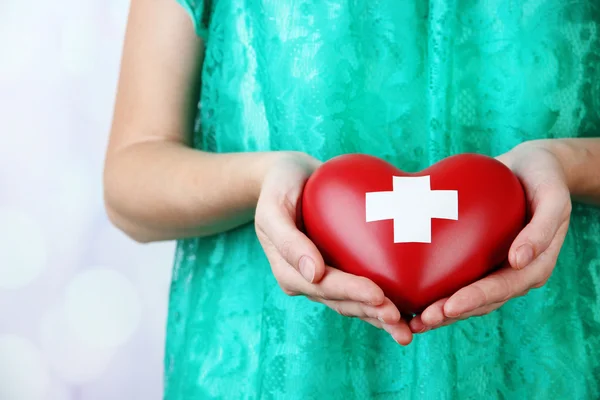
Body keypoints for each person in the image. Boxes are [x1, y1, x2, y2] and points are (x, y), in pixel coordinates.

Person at [103, 0, 600, 398]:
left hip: (552, 358)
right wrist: (268, 180)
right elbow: (129, 182)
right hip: (281, 365)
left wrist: (568, 165)